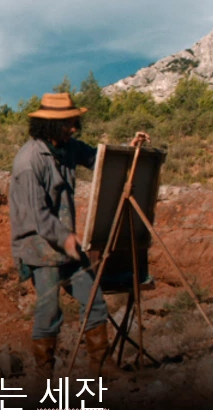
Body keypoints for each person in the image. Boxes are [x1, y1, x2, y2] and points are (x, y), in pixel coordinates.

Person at [9, 92, 149, 380]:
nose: (74, 128)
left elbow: (99, 159)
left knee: (94, 300)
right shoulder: (29, 161)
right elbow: (37, 215)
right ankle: (44, 378)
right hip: (39, 246)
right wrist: (66, 239)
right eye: (68, 123)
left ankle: (102, 368)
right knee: (49, 312)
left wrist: (129, 149)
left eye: (74, 122)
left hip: (66, 244)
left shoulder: (68, 147)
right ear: (50, 125)